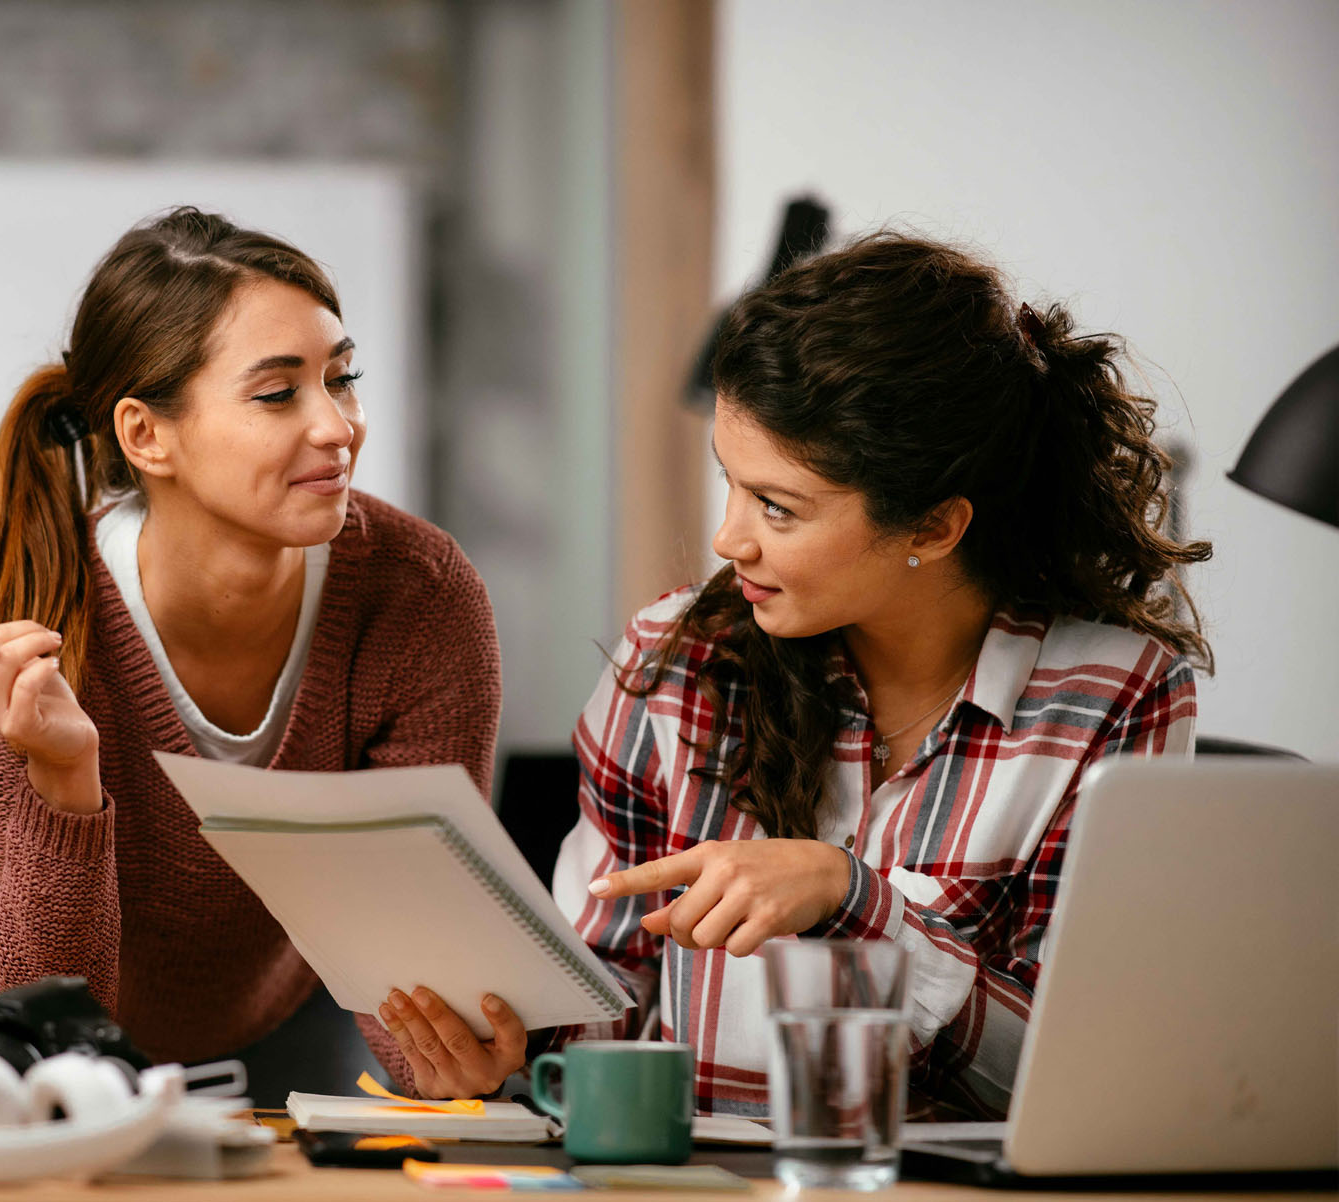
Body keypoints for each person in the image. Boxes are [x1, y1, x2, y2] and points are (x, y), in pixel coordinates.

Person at [384, 231, 1210, 1151]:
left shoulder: (1114, 695)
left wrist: (852, 898)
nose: (730, 541)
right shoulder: (675, 662)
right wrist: (505, 1052)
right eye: (731, 487)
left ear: (934, 526)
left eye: (778, 507)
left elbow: (1079, 1083)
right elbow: (598, 1013)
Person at [0, 207, 503, 1202]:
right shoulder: (29, 631)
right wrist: (64, 772)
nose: (338, 426)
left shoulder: (420, 595)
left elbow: (418, 934)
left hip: (283, 993)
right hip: (24, 993)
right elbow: (26, 1005)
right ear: (147, 435)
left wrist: (458, 1047)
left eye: (343, 376)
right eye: (279, 392)